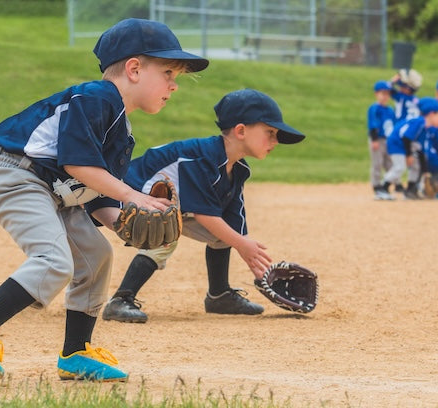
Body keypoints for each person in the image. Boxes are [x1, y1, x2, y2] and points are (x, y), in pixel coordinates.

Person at [0, 18, 209, 381]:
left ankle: (76, 352)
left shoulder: (120, 129)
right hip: (19, 177)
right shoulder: (96, 98)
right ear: (134, 69)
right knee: (54, 261)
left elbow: (93, 190)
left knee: (97, 255)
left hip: (58, 193)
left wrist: (121, 222)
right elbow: (76, 163)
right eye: (168, 72)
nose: (174, 85)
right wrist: (132, 195)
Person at [88, 89, 305, 323]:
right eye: (270, 132)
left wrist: (255, 263)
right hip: (122, 198)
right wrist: (242, 244)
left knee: (223, 234)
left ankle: (219, 295)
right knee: (165, 230)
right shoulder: (201, 159)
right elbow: (204, 214)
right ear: (240, 131)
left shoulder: (238, 169)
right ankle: (121, 299)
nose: (275, 140)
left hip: (166, 205)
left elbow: (233, 222)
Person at [377, 97, 438, 200]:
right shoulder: (419, 122)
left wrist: (426, 172)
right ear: (431, 114)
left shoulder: (425, 128)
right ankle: (382, 188)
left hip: (404, 145)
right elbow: (406, 138)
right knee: (400, 167)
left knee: (416, 166)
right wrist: (408, 156)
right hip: (396, 143)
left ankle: (410, 191)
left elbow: (421, 151)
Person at [367, 80, 396, 200]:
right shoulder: (375, 108)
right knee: (377, 163)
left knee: (390, 164)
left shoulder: (390, 110)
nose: (385, 96)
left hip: (388, 140)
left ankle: (386, 186)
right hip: (378, 139)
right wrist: (374, 140)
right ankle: (377, 187)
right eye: (382, 93)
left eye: (387, 94)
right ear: (376, 94)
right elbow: (373, 125)